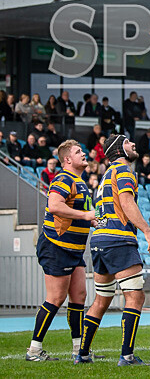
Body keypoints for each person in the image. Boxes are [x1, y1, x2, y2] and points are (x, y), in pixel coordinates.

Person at [75, 134, 150, 365]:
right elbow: (126, 202)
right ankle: (127, 355)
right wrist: (147, 231)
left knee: (101, 299)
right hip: (118, 239)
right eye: (128, 142)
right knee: (135, 297)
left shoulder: (105, 176)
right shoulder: (123, 171)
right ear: (119, 150)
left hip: (99, 240)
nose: (133, 144)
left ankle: (82, 354)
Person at [25, 140, 95, 362]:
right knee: (55, 298)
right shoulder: (64, 178)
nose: (83, 154)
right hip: (57, 246)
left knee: (79, 297)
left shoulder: (79, 182)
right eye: (78, 152)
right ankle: (34, 350)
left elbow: (76, 212)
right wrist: (86, 216)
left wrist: (93, 221)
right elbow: (54, 205)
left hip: (74, 249)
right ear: (67, 159)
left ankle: (79, 350)